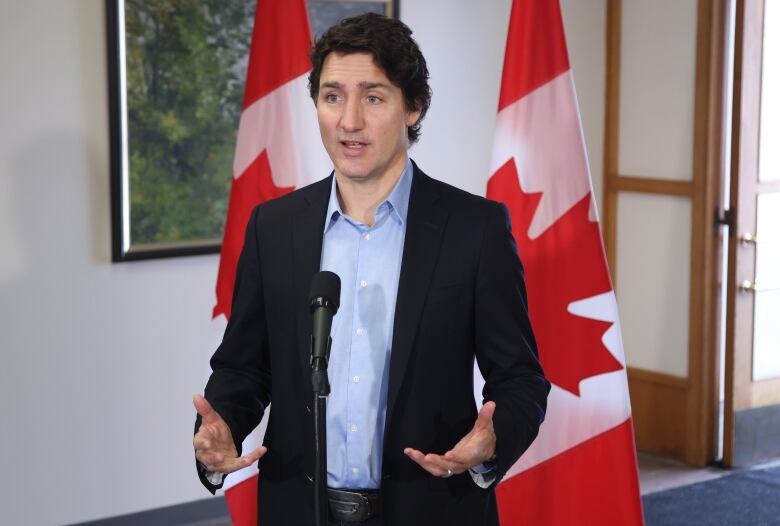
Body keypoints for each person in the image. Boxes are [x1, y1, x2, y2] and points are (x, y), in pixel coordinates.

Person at [193, 13, 549, 526]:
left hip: (431, 510)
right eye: (333, 96)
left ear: (413, 107)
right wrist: (222, 424)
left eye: (374, 97)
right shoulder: (275, 227)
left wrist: (493, 441)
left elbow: (520, 378)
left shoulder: (475, 229)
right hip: (299, 510)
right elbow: (243, 367)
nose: (349, 121)